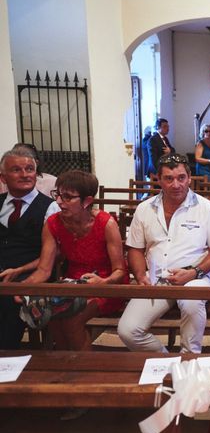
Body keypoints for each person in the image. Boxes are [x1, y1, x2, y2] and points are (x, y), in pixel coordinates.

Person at [118, 153, 210, 353]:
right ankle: (165, 360)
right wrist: (141, 275)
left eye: (181, 178)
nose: (176, 184)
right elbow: (135, 248)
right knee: (128, 330)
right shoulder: (144, 209)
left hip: (195, 277)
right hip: (157, 279)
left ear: (189, 178)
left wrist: (194, 272)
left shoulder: (206, 208)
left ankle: (190, 357)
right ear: (158, 180)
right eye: (168, 179)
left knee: (191, 302)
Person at [21, 170, 128, 351]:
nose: (59, 202)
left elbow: (120, 270)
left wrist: (103, 282)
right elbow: (44, 270)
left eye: (68, 197)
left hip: (105, 285)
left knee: (72, 321)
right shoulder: (53, 223)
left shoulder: (106, 223)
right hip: (73, 284)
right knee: (52, 319)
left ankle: (86, 371)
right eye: (58, 195)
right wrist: (22, 287)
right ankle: (67, 365)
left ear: (87, 201)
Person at [0, 148, 59, 349]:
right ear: (3, 177)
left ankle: (5, 357)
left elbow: (52, 255)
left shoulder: (49, 207)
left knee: (8, 302)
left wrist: (19, 271)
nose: (25, 175)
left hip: (33, 274)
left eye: (29, 169)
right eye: (16, 170)